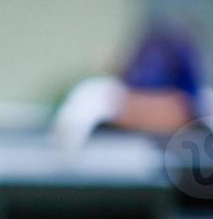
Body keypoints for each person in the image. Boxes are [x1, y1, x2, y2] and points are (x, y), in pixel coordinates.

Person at [50, 15, 211, 150]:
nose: (151, 117)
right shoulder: (93, 101)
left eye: (160, 107)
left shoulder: (204, 112)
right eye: (144, 106)